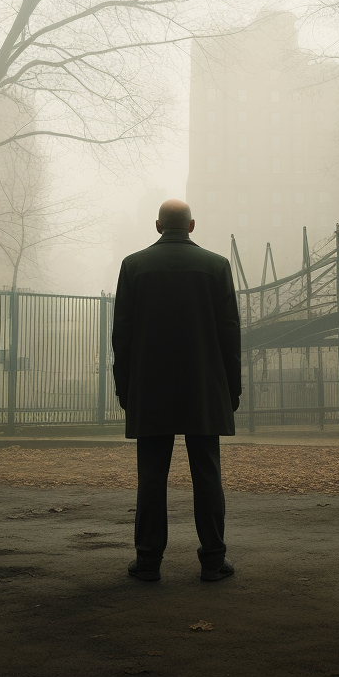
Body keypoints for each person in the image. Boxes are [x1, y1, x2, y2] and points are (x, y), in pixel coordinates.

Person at [112, 198, 242, 582]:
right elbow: (229, 333)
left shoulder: (133, 267)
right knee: (207, 473)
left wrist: (125, 389)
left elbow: (122, 335)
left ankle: (148, 560)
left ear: (157, 226)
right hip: (203, 387)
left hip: (150, 387)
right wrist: (230, 389)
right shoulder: (216, 266)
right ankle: (213, 560)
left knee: (151, 475)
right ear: (192, 226)